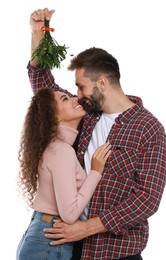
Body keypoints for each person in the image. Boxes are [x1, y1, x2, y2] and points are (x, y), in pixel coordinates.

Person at [28, 8, 166, 260]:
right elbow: (42, 82)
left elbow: (147, 198)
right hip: (68, 247)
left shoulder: (149, 129)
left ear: (102, 83)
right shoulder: (84, 114)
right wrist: (38, 33)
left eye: (81, 87)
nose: (77, 95)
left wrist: (85, 228)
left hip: (116, 252)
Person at [16, 88, 111, 260]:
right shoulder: (62, 151)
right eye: (65, 99)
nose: (75, 99)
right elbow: (69, 214)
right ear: (54, 116)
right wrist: (96, 172)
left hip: (43, 235)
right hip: (49, 241)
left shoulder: (54, 147)